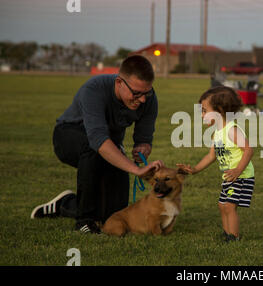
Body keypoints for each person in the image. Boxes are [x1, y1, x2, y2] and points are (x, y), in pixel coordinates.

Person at [30, 55, 163, 234]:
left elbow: (144, 139)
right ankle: (85, 220)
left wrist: (143, 148)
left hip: (106, 144)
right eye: (136, 93)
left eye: (146, 93)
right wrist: (136, 169)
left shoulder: (149, 99)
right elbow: (98, 141)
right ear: (119, 83)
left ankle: (66, 204)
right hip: (68, 136)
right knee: (94, 150)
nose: (142, 100)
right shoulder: (94, 89)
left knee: (112, 215)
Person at [176, 86, 255, 242]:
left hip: (241, 176)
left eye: (205, 111)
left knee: (229, 206)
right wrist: (195, 169)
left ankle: (233, 237)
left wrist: (238, 170)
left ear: (219, 111)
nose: (202, 115)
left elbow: (249, 150)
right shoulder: (218, 132)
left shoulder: (232, 130)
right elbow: (211, 155)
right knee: (222, 205)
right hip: (229, 176)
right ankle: (227, 233)